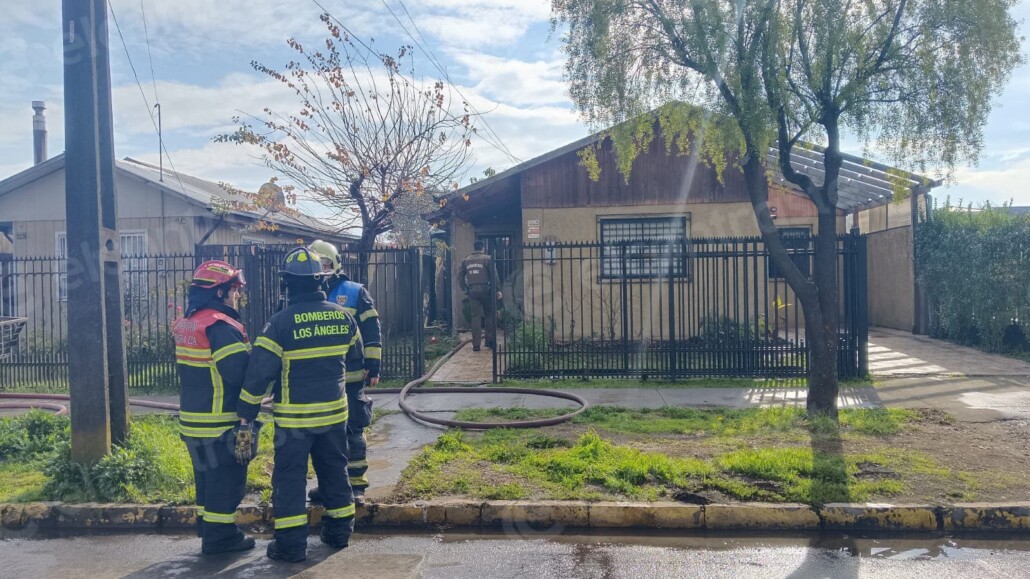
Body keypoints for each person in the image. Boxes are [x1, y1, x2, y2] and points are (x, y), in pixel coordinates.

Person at [237, 247, 365, 563]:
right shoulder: (344, 317)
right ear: (320, 280)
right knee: (335, 472)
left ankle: (291, 546)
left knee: (290, 481)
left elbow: (258, 376)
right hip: (336, 416)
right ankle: (338, 534)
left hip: (295, 422)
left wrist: (246, 414)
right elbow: (356, 363)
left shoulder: (279, 324)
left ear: (287, 284)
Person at [172, 260, 255, 555]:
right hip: (220, 423)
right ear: (219, 292)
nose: (237, 296)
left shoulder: (189, 322)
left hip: (193, 423)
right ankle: (221, 538)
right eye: (234, 290)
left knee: (206, 481)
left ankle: (208, 529)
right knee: (227, 482)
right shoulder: (219, 326)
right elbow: (237, 373)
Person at [307, 240, 379, 507]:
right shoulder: (304, 293)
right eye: (316, 265)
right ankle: (330, 485)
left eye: (324, 264)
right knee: (323, 436)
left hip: (350, 378)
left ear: (335, 265)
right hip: (320, 381)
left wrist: (374, 366)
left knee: (352, 430)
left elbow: (372, 331)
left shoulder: (354, 292)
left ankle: (356, 486)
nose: (321, 270)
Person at [459, 240, 502, 351]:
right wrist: (498, 289)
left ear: (474, 248)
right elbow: (494, 275)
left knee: (475, 317)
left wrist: (465, 288)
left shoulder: (466, 260)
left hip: (472, 291)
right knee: (490, 315)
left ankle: (476, 345)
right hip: (486, 291)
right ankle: (490, 342)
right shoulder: (487, 259)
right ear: (483, 248)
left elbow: (460, 276)